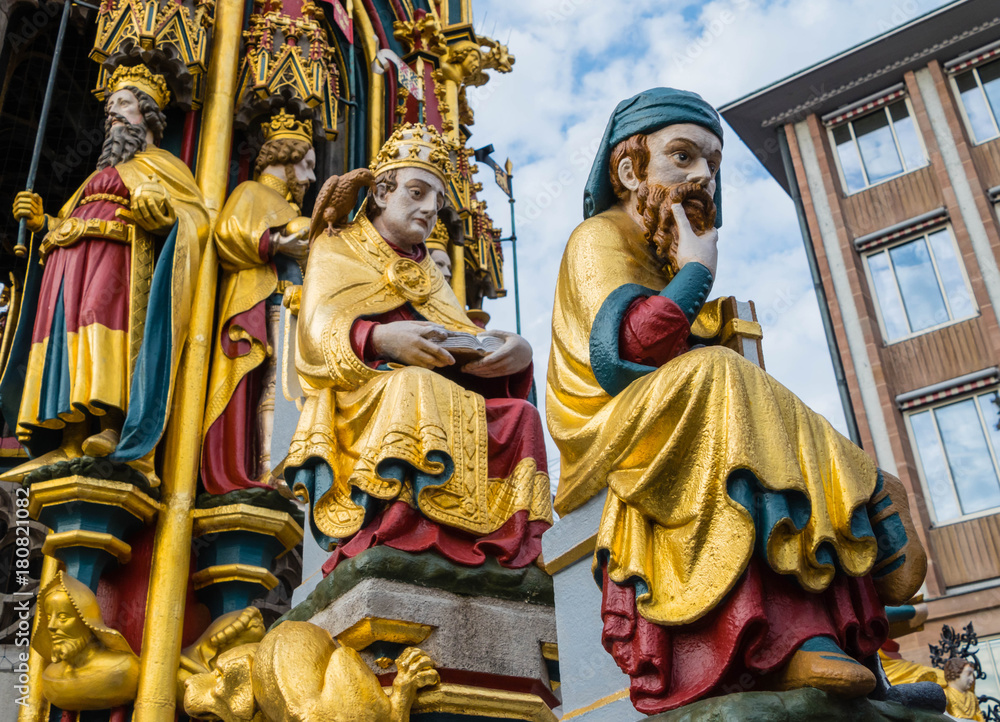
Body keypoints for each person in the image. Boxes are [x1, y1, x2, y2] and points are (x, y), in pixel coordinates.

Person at [546, 87, 926, 713]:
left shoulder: (661, 249)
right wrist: (697, 272)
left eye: (712, 166)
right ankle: (778, 641)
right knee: (719, 379)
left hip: (666, 403)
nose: (703, 178)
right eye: (683, 157)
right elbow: (625, 353)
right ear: (627, 169)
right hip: (607, 422)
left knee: (758, 400)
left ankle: (853, 621)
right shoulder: (599, 237)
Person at [286, 123, 551, 571]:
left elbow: (459, 333)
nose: (430, 210)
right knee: (413, 385)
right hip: (365, 392)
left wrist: (513, 349)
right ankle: (398, 528)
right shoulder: (337, 247)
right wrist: (379, 338)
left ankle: (517, 552)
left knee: (521, 416)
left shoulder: (426, 269)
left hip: (436, 391)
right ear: (381, 194)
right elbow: (315, 334)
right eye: (417, 193)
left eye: (438, 202)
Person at [0, 64, 210, 485]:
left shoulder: (165, 166)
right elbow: (68, 221)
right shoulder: (96, 175)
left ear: (147, 115)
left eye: (124, 104)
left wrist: (165, 216)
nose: (113, 113)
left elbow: (197, 220)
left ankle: (114, 425)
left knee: (102, 326)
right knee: (67, 341)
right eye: (110, 106)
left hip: (117, 265)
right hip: (69, 268)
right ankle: (71, 437)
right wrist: (43, 223)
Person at [201, 110, 316, 493]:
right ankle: (269, 464)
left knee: (293, 385)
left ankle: (285, 461)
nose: (312, 177)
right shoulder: (252, 193)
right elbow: (229, 234)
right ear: (287, 156)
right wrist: (277, 243)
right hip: (270, 303)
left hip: (297, 307)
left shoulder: (295, 210)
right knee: (275, 380)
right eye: (308, 165)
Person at [34, 571, 140, 710]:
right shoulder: (50, 675)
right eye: (49, 617)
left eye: (63, 617)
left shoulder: (121, 668)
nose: (51, 626)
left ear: (87, 621)